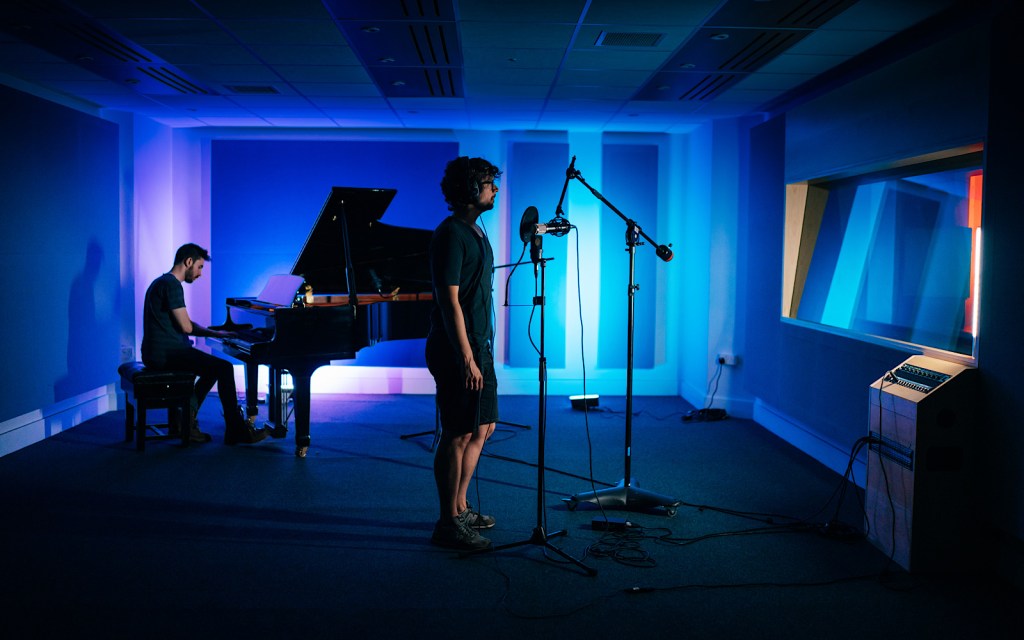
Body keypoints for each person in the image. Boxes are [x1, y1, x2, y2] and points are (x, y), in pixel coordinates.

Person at [426, 156, 502, 551]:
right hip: (458, 351)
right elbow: (448, 302)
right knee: (458, 433)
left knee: (483, 427)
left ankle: (460, 506)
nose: (495, 189)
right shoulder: (450, 235)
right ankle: (447, 522)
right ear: (471, 189)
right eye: (489, 183)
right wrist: (468, 357)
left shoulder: (475, 232)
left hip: (479, 348)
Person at [141, 243, 267, 445]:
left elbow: (186, 323)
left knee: (212, 369)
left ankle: (186, 419)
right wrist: (211, 332)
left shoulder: (161, 282)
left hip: (158, 352)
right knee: (224, 368)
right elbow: (187, 327)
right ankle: (235, 430)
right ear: (188, 262)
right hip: (167, 354)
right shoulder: (172, 285)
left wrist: (215, 332)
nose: (200, 274)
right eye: (199, 267)